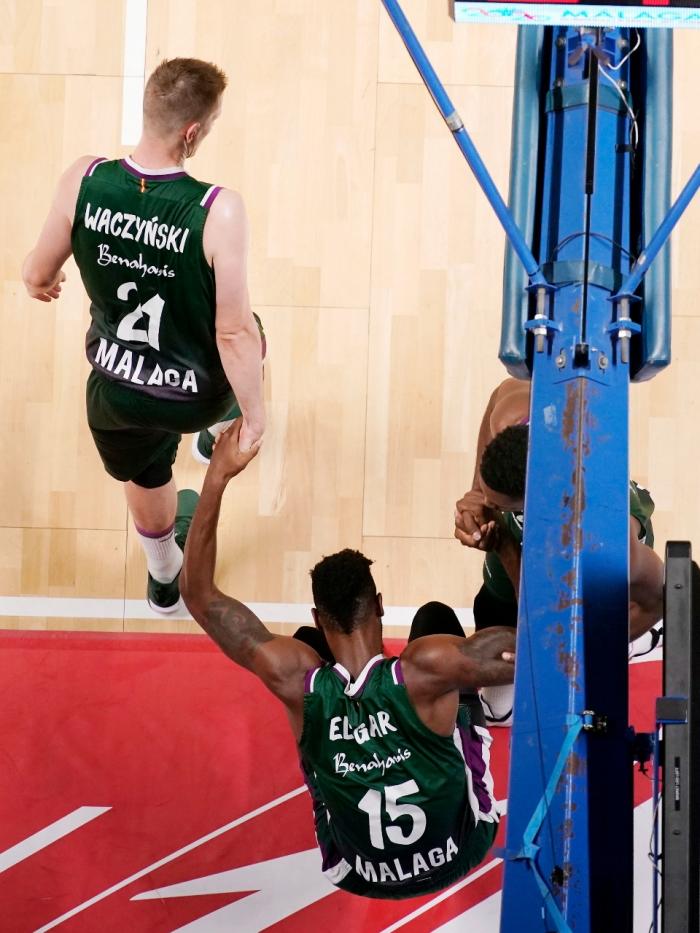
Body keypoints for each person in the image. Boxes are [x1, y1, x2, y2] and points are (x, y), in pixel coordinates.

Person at [180, 421, 516, 900]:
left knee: (298, 655)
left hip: (358, 873)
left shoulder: (293, 676)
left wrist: (217, 476)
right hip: (465, 845)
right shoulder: (428, 667)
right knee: (437, 620)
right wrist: (501, 541)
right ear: (379, 604)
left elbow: (198, 596)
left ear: (319, 616)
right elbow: (543, 644)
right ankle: (500, 705)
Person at [22, 58, 266, 614]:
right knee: (253, 330)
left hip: (117, 390)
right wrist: (254, 418)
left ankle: (163, 580)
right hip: (193, 394)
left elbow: (36, 274)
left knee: (144, 469)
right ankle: (213, 436)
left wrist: (47, 282)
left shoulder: (84, 178)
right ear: (193, 133)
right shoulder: (216, 208)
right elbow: (232, 332)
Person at [454, 377, 664, 725]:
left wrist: (589, 649)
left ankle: (633, 641)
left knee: (512, 702)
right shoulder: (514, 414)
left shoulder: (603, 535)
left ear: (538, 504)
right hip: (520, 585)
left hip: (590, 591)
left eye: (501, 505)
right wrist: (477, 493)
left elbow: (657, 597)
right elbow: (497, 397)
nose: (490, 507)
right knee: (499, 700)